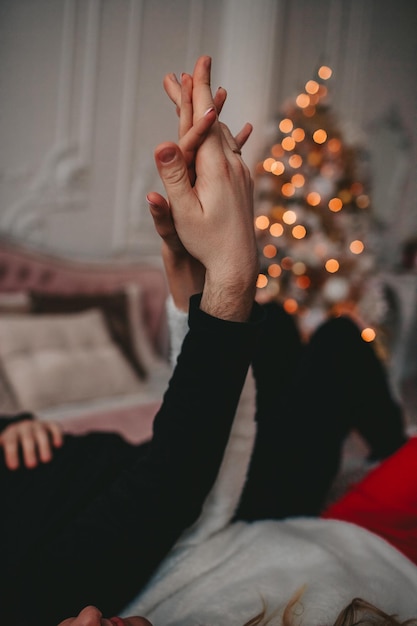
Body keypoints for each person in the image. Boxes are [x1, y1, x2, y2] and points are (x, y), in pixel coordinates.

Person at [0, 56, 416, 626]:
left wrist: (15, 421)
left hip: (197, 466)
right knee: (340, 339)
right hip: (227, 493)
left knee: (278, 331)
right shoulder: (31, 590)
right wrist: (226, 277)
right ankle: (390, 453)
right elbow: (168, 484)